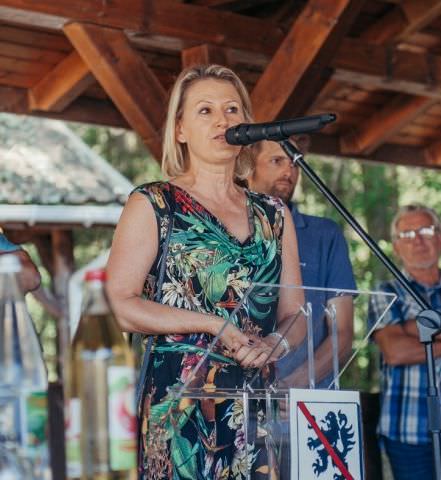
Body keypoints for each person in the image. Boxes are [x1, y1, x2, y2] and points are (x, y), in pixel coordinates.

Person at [106, 64, 305, 480]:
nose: (223, 119)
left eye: (233, 109)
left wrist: (274, 343)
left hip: (255, 406)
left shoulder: (274, 213)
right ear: (179, 129)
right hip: (180, 408)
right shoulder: (155, 203)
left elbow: (294, 314)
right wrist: (215, 325)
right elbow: (123, 304)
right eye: (206, 110)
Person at [368, 204, 441, 479]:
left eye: (426, 230)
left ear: (440, 238)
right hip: (408, 431)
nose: (417, 239)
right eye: (407, 234)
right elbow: (396, 352)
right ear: (396, 246)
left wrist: (415, 327)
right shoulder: (385, 294)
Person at [247, 139, 356, 388]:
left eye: (296, 163)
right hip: (232, 396)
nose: (289, 172)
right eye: (277, 161)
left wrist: (294, 384)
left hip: (302, 399)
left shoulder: (325, 235)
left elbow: (343, 333)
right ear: (248, 166)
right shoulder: (223, 229)